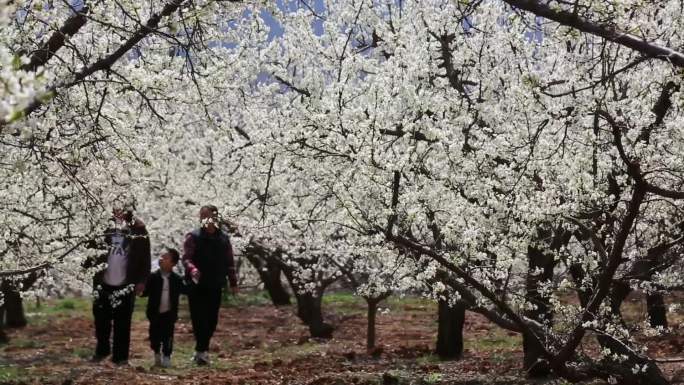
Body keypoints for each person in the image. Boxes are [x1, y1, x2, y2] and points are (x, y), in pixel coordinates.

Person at [85, 199, 151, 365]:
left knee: (123, 322)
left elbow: (145, 258)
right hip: (102, 280)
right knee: (101, 320)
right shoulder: (100, 225)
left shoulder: (138, 228)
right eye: (114, 206)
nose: (118, 210)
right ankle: (102, 351)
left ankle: (120, 357)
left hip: (126, 282)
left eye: (121, 206)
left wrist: (142, 280)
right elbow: (88, 250)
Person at [182, 205, 238, 366]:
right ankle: (202, 351)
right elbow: (186, 258)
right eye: (201, 215)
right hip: (197, 284)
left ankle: (201, 350)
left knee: (212, 319)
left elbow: (230, 262)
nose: (203, 218)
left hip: (216, 283)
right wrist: (192, 270)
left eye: (206, 215)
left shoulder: (223, 238)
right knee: (199, 318)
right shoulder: (193, 236)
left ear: (215, 217)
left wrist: (233, 282)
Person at [143, 248, 186, 368]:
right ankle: (156, 353)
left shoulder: (176, 279)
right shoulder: (153, 277)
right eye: (161, 256)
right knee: (154, 336)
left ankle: (167, 356)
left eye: (166, 257)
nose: (161, 259)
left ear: (173, 263)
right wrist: (140, 289)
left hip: (169, 313)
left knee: (168, 336)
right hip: (154, 312)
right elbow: (145, 292)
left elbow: (186, 289)